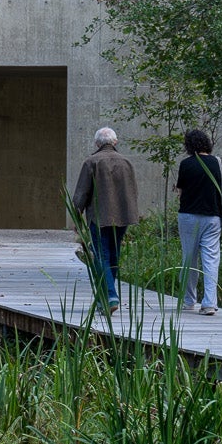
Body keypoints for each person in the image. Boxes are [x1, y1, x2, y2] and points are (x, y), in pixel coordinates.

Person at [72, 126, 139, 312]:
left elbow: (81, 193)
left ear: (97, 143)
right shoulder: (126, 162)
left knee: (100, 255)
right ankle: (105, 298)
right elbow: (133, 191)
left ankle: (109, 296)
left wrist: (77, 217)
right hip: (123, 216)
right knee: (114, 255)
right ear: (115, 142)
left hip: (100, 217)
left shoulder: (91, 162)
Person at [175, 129, 222, 316]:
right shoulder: (218, 163)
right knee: (211, 260)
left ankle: (189, 300)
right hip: (213, 216)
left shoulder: (186, 164)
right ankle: (209, 304)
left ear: (188, 145)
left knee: (189, 258)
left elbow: (180, 191)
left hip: (189, 216)